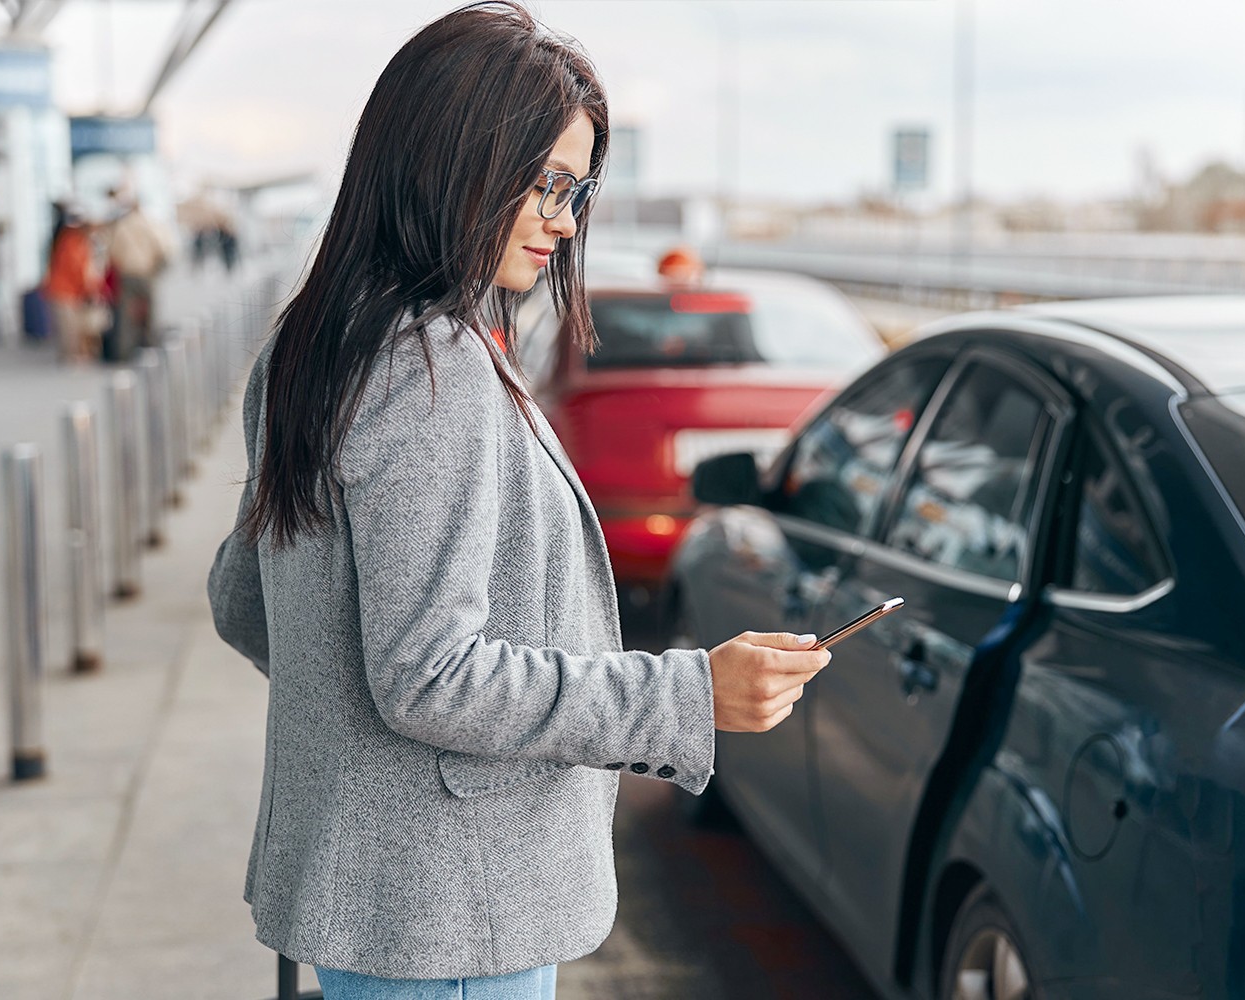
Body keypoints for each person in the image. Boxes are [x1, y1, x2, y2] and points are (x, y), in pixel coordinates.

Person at [205, 5, 830, 999]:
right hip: (452, 914)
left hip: (384, 905)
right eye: (541, 183)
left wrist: (356, 732)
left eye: (574, 189)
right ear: (446, 161)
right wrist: (688, 695)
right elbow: (429, 676)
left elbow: (246, 599)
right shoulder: (431, 372)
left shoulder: (315, 344)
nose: (565, 218)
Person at [105, 193, 171, 356]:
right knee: (150, 311)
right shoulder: (149, 224)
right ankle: (149, 347)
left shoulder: (122, 226)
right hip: (146, 272)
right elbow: (163, 248)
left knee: (125, 314)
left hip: (127, 273)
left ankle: (123, 350)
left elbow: (113, 251)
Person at [43, 210, 97, 363]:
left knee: (69, 326)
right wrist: (88, 288)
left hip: (68, 290)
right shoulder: (73, 242)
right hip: (64, 290)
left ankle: (69, 356)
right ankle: (69, 357)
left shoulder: (72, 240)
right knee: (69, 327)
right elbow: (76, 268)